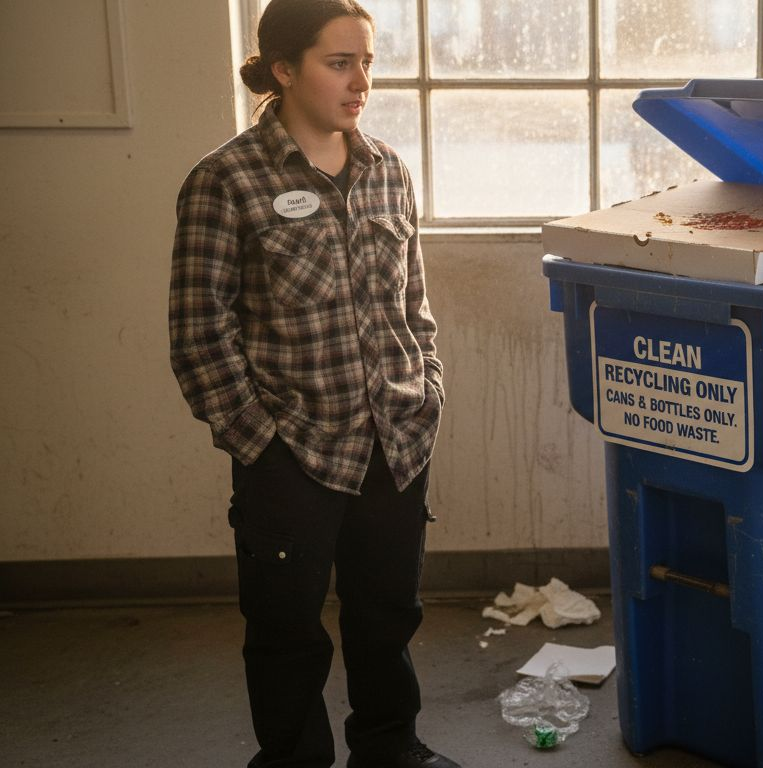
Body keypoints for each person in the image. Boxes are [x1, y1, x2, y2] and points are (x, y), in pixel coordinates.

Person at [169, 1, 457, 766]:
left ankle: (391, 748)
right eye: (340, 62)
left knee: (387, 615)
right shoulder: (223, 180)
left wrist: (425, 390)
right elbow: (200, 336)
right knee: (286, 629)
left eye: (367, 60)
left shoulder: (388, 171)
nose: (361, 80)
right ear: (284, 69)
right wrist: (262, 447)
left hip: (395, 440)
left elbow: (413, 306)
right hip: (291, 452)